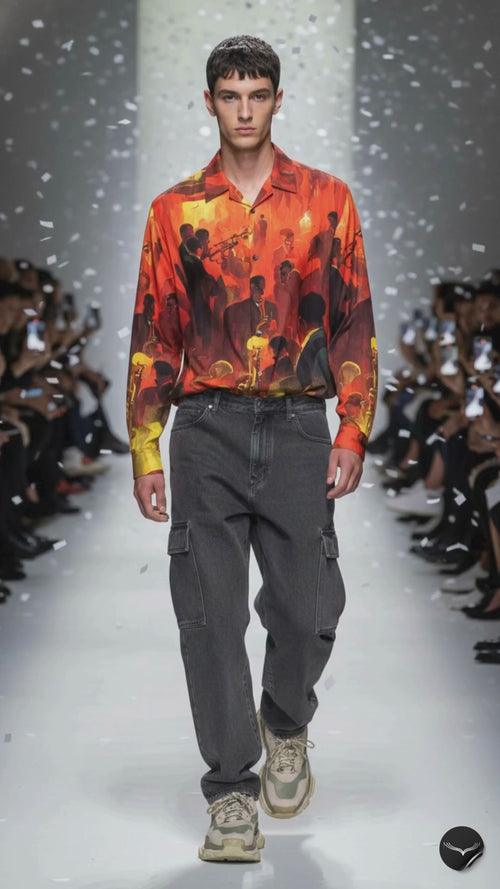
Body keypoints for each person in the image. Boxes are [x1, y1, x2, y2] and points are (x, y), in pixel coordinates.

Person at [126, 34, 377, 864]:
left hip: (302, 426)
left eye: (257, 95)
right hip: (206, 427)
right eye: (230, 96)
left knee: (309, 608)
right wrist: (146, 445)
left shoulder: (328, 201)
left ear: (276, 99)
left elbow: (354, 319)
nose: (244, 110)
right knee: (209, 615)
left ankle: (286, 720)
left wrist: (353, 426)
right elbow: (154, 331)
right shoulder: (175, 211)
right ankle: (230, 789)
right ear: (209, 102)